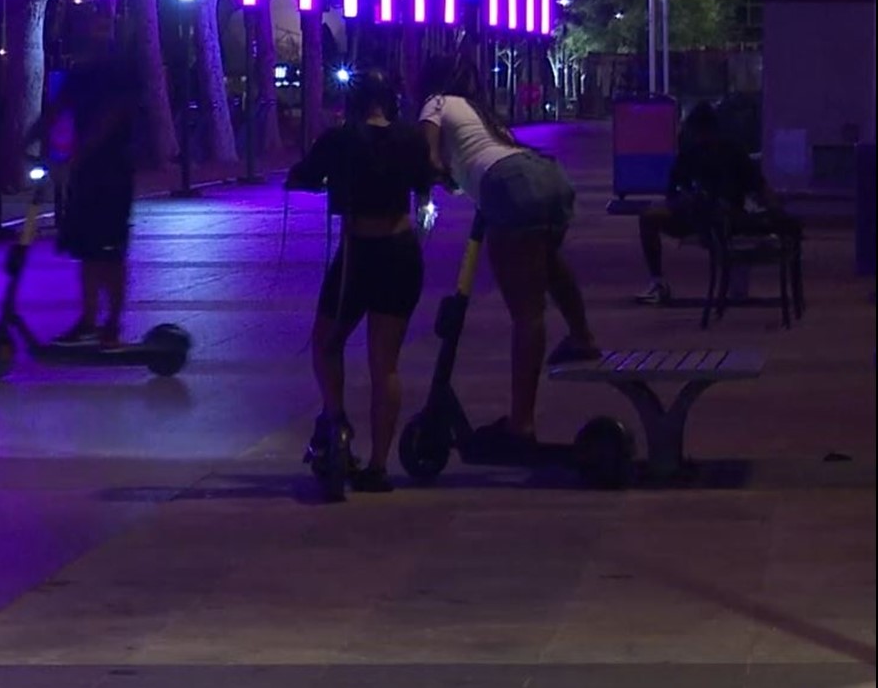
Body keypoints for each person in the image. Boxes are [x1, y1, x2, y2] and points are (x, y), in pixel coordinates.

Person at [418, 53, 600, 451]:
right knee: (547, 262)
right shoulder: (481, 114)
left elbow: (428, 156)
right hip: (546, 175)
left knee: (526, 312)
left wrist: (426, 182)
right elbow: (481, 154)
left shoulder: (435, 103)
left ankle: (522, 424)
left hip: (509, 187)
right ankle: (582, 335)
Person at [286, 69, 437, 493]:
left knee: (326, 341)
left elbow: (303, 176)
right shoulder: (410, 139)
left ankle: (336, 420)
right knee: (384, 364)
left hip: (359, 252)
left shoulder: (340, 139)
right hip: (401, 249)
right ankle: (378, 465)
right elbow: (425, 187)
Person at [27, 41, 140, 348]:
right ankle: (89, 320)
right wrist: (25, 142)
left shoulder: (119, 74)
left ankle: (112, 325)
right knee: (87, 249)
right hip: (86, 175)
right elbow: (54, 112)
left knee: (109, 250)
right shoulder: (80, 76)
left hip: (113, 171)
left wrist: (77, 154)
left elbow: (112, 119)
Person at [635, 102, 790, 304]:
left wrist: (775, 215)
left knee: (652, 217)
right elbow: (674, 191)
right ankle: (658, 282)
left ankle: (658, 281)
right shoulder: (698, 153)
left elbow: (758, 187)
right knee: (649, 217)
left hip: (723, 216)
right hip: (701, 214)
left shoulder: (727, 151)